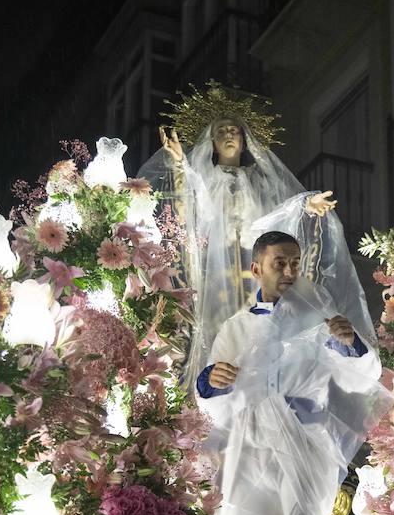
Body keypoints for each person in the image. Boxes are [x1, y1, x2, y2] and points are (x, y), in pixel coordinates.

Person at [196, 231, 392, 515]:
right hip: (255, 443)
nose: (289, 272)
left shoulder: (319, 319)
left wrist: (349, 343)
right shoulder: (236, 328)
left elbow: (362, 377)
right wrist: (212, 380)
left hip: (306, 438)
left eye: (295, 264)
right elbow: (215, 399)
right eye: (279, 264)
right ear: (257, 269)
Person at [138, 112, 338, 389]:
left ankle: (260, 384)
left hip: (252, 270)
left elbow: (279, 213)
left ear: (244, 142)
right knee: (216, 328)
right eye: (221, 131)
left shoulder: (259, 182)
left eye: (234, 130)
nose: (229, 135)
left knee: (255, 329)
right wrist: (180, 165)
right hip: (215, 272)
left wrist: (305, 206)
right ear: (212, 142)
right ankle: (211, 388)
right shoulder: (204, 177)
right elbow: (189, 207)